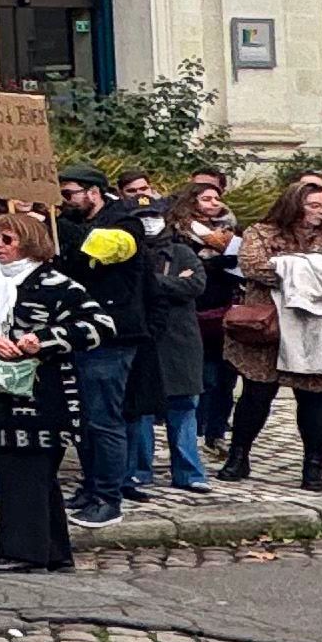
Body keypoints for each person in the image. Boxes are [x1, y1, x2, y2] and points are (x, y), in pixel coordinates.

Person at [0, 210, 104, 570]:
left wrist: (41, 341)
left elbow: (98, 324)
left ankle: (23, 552)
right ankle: (52, 551)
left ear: (29, 242)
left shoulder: (57, 284)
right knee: (18, 470)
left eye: (7, 240)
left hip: (45, 393)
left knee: (30, 471)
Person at [219, 173, 322, 489]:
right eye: (315, 205)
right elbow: (254, 265)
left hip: (315, 328)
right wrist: (313, 267)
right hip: (268, 326)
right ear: (295, 205)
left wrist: (293, 266)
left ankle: (312, 464)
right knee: (256, 394)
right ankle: (238, 455)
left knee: (314, 397)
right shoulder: (261, 231)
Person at [61, 205, 151, 523]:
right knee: (84, 422)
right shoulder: (73, 222)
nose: (65, 200)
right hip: (80, 334)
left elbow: (102, 245)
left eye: (71, 194)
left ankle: (108, 497)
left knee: (104, 420)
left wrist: (55, 223)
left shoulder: (125, 224)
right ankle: (90, 488)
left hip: (111, 338)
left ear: (93, 192)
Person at [137, 202, 215, 494]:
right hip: (146, 340)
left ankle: (188, 471)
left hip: (181, 341)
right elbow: (135, 287)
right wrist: (170, 282)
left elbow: (195, 285)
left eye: (153, 216)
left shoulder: (182, 252)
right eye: (142, 217)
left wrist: (157, 283)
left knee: (183, 407)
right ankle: (139, 470)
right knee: (141, 410)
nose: (149, 222)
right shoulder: (133, 253)